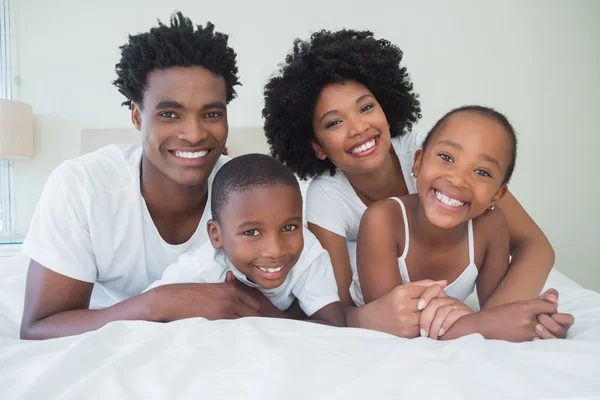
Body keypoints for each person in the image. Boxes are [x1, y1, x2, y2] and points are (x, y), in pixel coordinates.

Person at [262, 29, 574, 339]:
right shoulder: (328, 197)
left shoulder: (439, 155)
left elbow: (535, 245)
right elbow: (344, 310)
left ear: (386, 107)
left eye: (367, 107)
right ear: (316, 146)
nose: (358, 127)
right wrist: (481, 324)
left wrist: (506, 317)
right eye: (334, 122)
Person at [20, 12, 277, 340]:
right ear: (137, 116)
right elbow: (39, 326)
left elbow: (295, 307)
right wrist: (154, 304)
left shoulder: (254, 191)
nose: (195, 134)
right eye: (169, 114)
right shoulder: (82, 187)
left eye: (211, 114)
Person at [357, 105, 567, 342]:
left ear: (497, 196)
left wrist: (535, 320)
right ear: (418, 163)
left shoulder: (491, 226)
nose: (458, 179)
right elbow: (393, 323)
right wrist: (479, 324)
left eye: (482, 172)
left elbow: (495, 314)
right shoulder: (382, 220)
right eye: (446, 157)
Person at [145, 154, 345, 327]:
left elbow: (334, 328)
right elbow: (144, 308)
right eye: (252, 233)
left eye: (289, 228)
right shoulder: (200, 268)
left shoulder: (308, 254)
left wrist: (269, 314)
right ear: (216, 235)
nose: (275, 251)